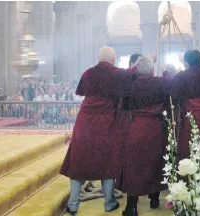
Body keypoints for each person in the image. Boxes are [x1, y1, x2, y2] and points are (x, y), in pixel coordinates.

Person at [59, 47, 133, 215]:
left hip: (85, 123)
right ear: (113, 59)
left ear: (99, 59)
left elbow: (81, 92)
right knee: (107, 162)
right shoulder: (119, 74)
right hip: (106, 124)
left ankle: (72, 205)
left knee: (78, 163)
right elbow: (132, 77)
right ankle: (109, 203)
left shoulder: (88, 73)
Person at [117, 57, 170, 216]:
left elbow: (124, 107)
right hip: (156, 128)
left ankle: (131, 207)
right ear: (152, 70)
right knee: (156, 164)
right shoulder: (161, 83)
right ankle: (154, 199)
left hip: (136, 127)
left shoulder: (131, 87)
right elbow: (169, 102)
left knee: (134, 166)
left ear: (137, 71)